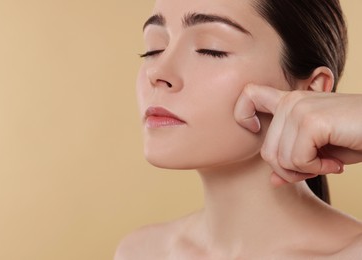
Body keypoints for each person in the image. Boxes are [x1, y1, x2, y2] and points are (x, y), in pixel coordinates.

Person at [115, 0, 362, 258]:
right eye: (153, 49)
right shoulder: (141, 251)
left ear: (311, 89)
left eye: (210, 49)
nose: (157, 71)